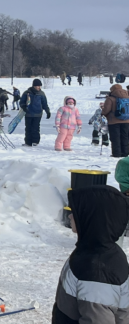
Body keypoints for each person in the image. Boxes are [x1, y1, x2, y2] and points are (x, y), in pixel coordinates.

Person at [52, 185, 129, 323]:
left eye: (76, 212)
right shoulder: (95, 251)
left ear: (92, 218)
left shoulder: (97, 271)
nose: (70, 216)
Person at [19, 79, 51, 147]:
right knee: (28, 128)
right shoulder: (26, 93)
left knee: (36, 128)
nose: (38, 87)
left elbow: (44, 103)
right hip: (28, 113)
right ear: (33, 86)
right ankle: (28, 142)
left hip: (38, 113)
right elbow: (22, 102)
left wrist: (47, 111)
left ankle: (35, 141)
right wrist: (24, 107)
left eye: (39, 86)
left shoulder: (41, 94)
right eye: (37, 86)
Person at [103, 84, 129, 157]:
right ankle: (125, 153)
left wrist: (103, 113)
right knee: (125, 137)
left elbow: (106, 110)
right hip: (127, 121)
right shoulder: (127, 97)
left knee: (115, 137)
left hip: (113, 121)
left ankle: (116, 153)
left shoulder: (110, 98)